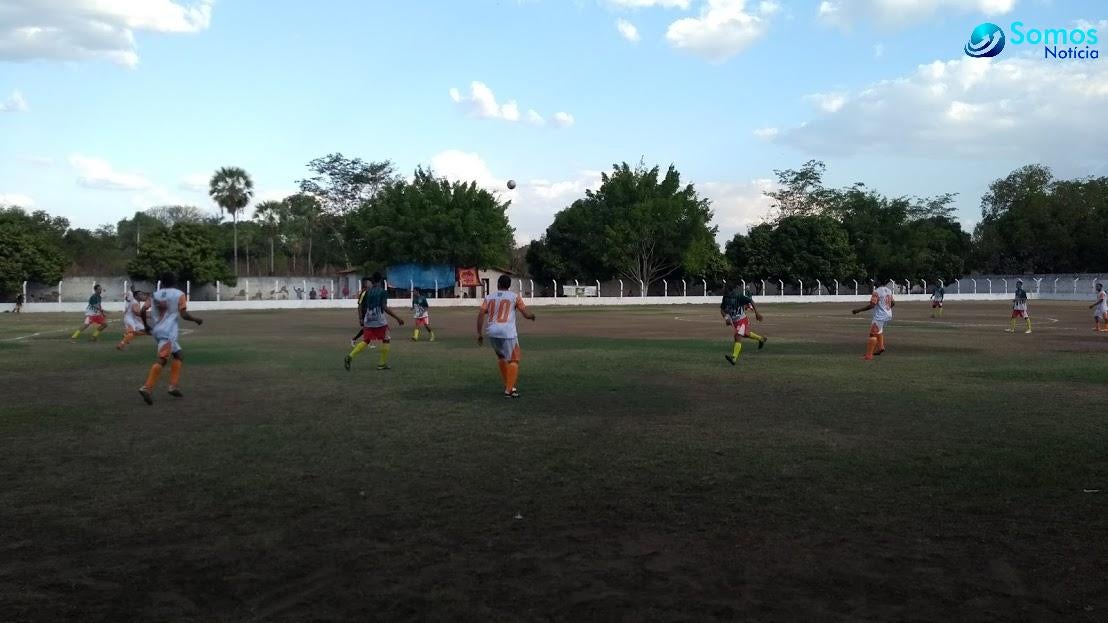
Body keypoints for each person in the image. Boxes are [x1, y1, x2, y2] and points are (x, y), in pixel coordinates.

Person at [138, 274, 203, 405]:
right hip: (168, 332)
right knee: (162, 359)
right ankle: (147, 387)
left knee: (178, 355)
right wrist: (196, 319)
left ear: (162, 283)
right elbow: (183, 314)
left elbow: (143, 310)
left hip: (157, 330)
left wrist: (145, 325)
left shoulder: (155, 294)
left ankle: (173, 386)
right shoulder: (179, 294)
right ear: (175, 282)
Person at [477, 274, 536, 398]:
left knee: (502, 357)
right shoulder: (514, 297)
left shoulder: (489, 297)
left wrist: (479, 333)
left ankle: (509, 385)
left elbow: (482, 313)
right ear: (509, 286)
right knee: (514, 360)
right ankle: (509, 390)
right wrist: (531, 316)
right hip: (507, 333)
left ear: (498, 284)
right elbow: (525, 314)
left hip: (492, 332)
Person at [345, 272, 404, 371]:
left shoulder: (367, 292)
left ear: (372, 280)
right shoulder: (382, 292)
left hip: (368, 319)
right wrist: (397, 318)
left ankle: (350, 356)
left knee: (366, 341)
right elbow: (384, 307)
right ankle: (382, 363)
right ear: (381, 280)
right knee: (386, 339)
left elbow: (360, 305)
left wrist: (361, 318)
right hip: (379, 320)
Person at [720, 285, 767, 365]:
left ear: (729, 290)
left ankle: (734, 358)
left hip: (742, 319)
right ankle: (761, 339)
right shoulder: (725, 298)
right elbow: (722, 310)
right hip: (734, 322)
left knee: (737, 336)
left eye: (724, 288)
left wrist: (757, 313)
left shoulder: (739, 296)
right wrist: (727, 318)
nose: (723, 290)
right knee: (745, 334)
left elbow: (751, 301)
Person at [852, 279, 894, 361]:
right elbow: (893, 303)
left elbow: (872, 305)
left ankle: (869, 355)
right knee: (879, 331)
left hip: (880, 316)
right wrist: (887, 309)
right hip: (888, 314)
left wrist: (858, 310)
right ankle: (881, 347)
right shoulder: (888, 290)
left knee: (873, 334)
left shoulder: (877, 292)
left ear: (876, 284)